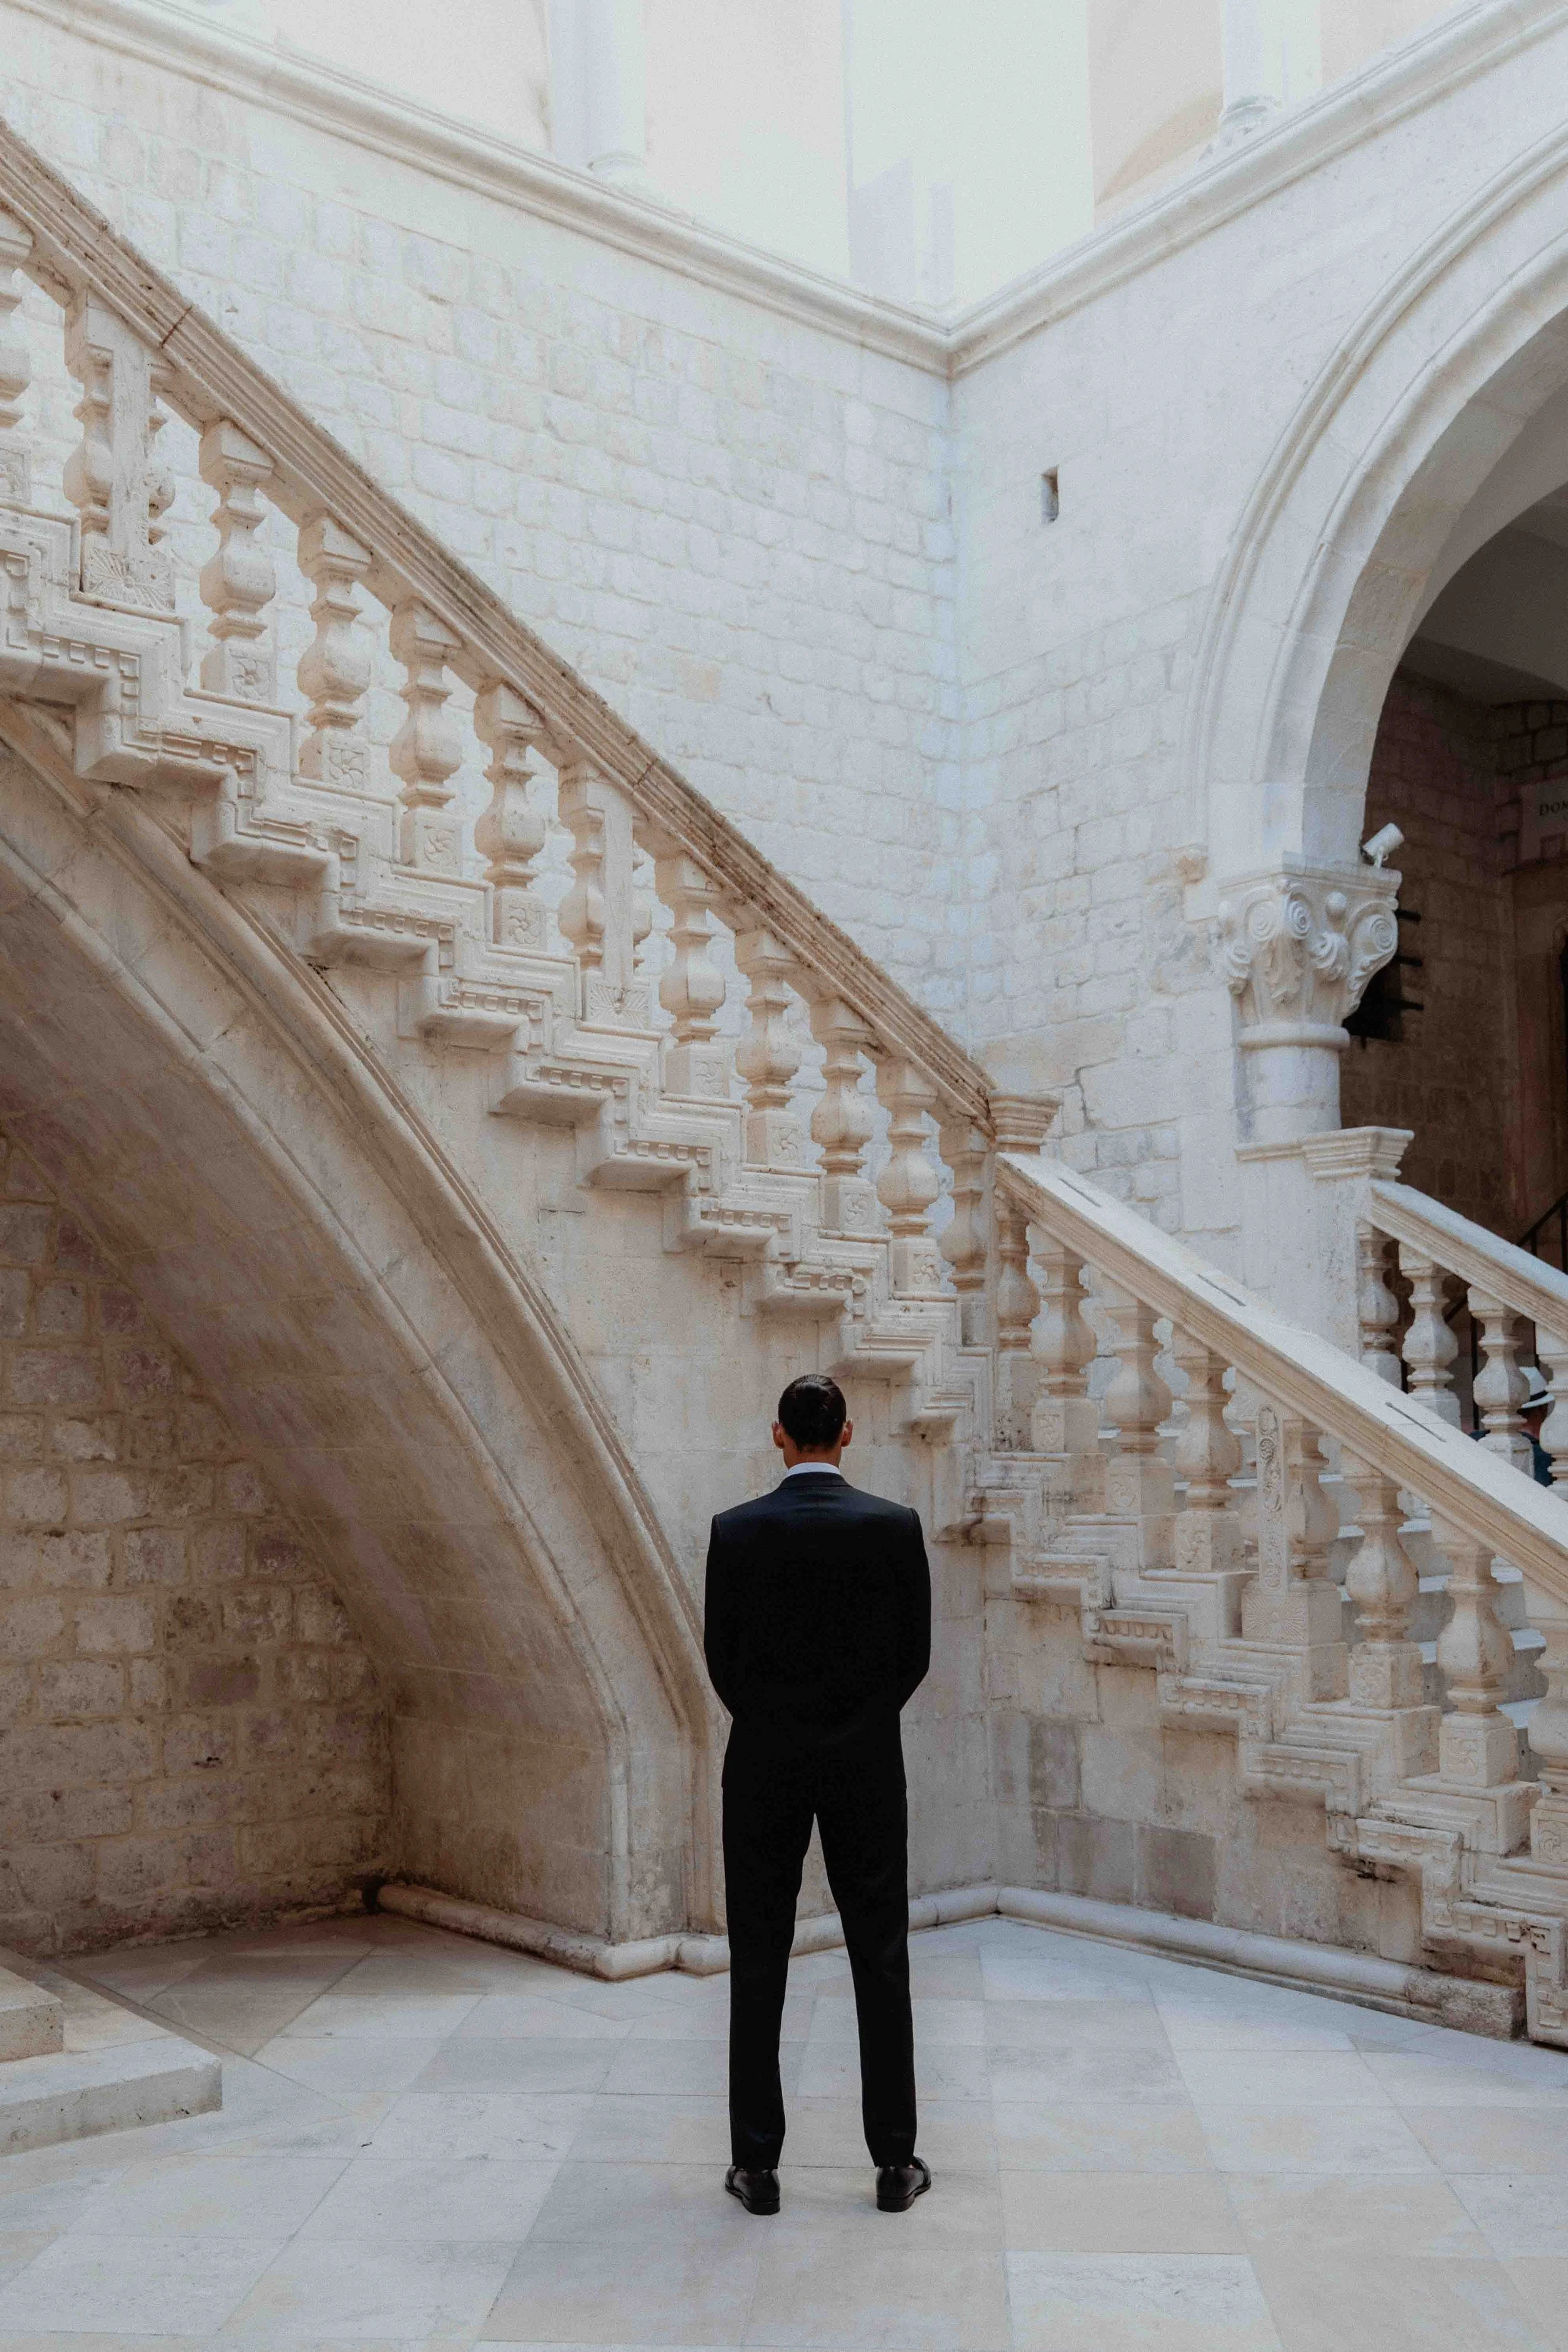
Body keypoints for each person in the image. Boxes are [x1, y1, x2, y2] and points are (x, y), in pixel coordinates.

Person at [704, 1372, 932, 2218]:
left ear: (779, 1434)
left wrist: (779, 1726)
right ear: (848, 1433)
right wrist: (856, 1727)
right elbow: (913, 1656)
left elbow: (722, 1661)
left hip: (763, 1764)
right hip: (865, 1765)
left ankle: (757, 2166)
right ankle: (895, 2162)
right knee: (881, 1954)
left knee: (759, 1957)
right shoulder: (892, 1526)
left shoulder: (735, 1531)